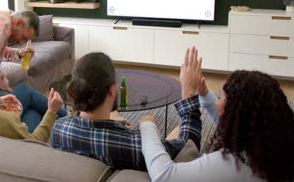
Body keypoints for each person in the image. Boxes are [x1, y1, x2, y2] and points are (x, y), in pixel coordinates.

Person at [140, 47, 294, 182]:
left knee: (173, 134)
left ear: (234, 113)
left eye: (220, 97)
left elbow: (164, 176)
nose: (217, 100)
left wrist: (148, 126)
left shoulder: (231, 164)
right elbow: (239, 124)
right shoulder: (282, 144)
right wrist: (204, 95)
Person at [51, 51, 202, 171]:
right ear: (111, 90)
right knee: (178, 129)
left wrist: (115, 124)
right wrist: (189, 93)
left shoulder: (58, 129)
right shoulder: (136, 145)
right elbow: (188, 149)